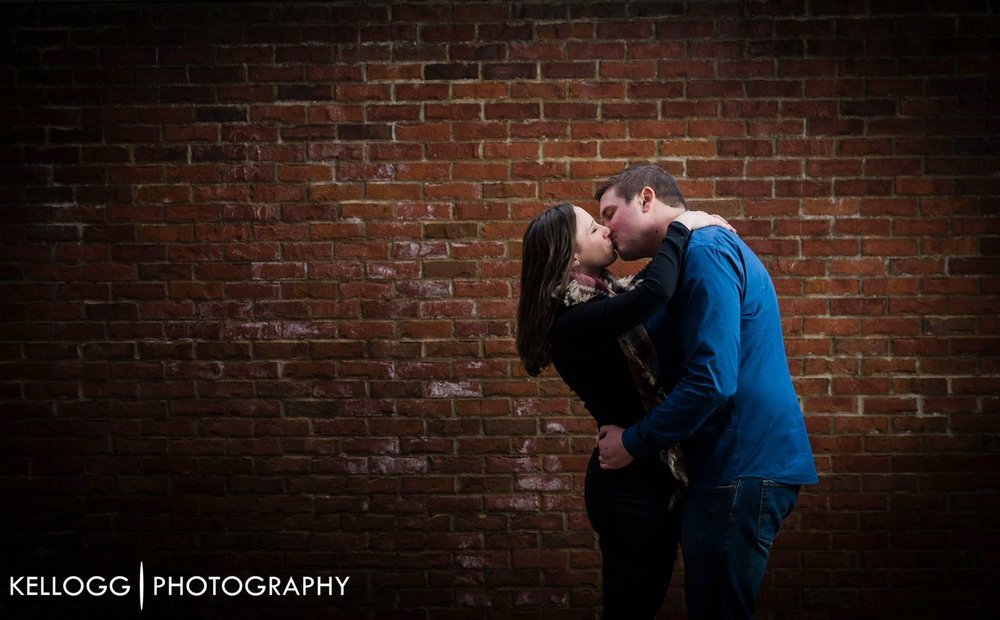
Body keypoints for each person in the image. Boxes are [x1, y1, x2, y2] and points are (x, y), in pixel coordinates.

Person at [594, 164, 818, 619]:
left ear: (646, 198)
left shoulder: (707, 250)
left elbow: (712, 378)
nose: (606, 227)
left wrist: (632, 443)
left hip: (738, 463)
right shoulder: (687, 253)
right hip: (728, 463)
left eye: (610, 212)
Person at [517, 203, 733, 619]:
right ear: (571, 255)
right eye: (592, 227)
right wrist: (682, 226)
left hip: (645, 474)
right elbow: (656, 291)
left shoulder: (604, 300)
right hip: (628, 491)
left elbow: (648, 290)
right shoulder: (574, 317)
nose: (605, 230)